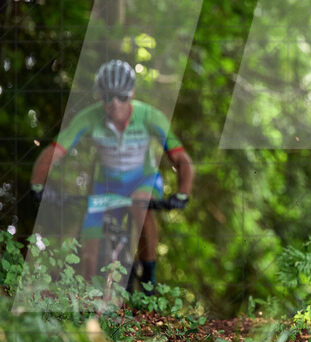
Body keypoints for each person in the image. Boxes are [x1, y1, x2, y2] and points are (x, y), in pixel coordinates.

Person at [30, 59, 193, 290]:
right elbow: (54, 152)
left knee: (140, 205)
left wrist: (183, 193)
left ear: (132, 93)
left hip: (143, 180)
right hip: (105, 186)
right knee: (89, 250)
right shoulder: (89, 117)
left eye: (122, 97)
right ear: (99, 96)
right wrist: (38, 185)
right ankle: (86, 299)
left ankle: (148, 276)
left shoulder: (150, 117)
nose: (115, 103)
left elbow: (181, 159)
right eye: (107, 97)